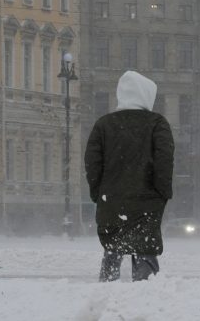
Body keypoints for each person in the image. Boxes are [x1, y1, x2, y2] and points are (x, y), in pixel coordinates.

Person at [84, 71, 174, 282]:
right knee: (144, 251)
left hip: (111, 202)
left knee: (113, 250)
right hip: (147, 204)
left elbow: (92, 164)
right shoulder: (157, 123)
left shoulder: (103, 125)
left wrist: (98, 194)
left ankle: (105, 297)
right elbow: (164, 162)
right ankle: (144, 300)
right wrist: (163, 193)